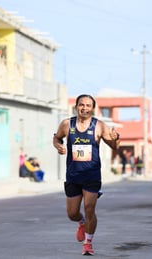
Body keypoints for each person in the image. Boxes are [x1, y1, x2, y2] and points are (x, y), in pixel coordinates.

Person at [53, 94, 120, 256]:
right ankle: (81, 222)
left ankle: (88, 243)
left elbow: (114, 146)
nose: (84, 108)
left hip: (92, 176)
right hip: (73, 176)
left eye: (88, 105)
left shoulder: (99, 126)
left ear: (92, 108)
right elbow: (56, 138)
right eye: (81, 105)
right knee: (72, 213)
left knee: (89, 209)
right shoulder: (67, 124)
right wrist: (58, 146)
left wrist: (116, 139)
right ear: (76, 107)